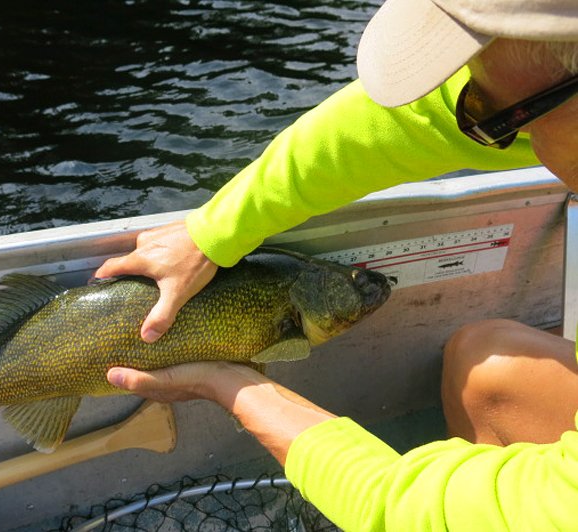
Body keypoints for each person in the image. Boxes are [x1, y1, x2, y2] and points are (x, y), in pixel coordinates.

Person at [96, 0, 578, 529]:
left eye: (494, 116)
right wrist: (210, 232)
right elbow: (405, 120)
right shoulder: (549, 98)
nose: (473, 117)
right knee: (483, 364)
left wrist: (229, 386)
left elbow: (407, 514)